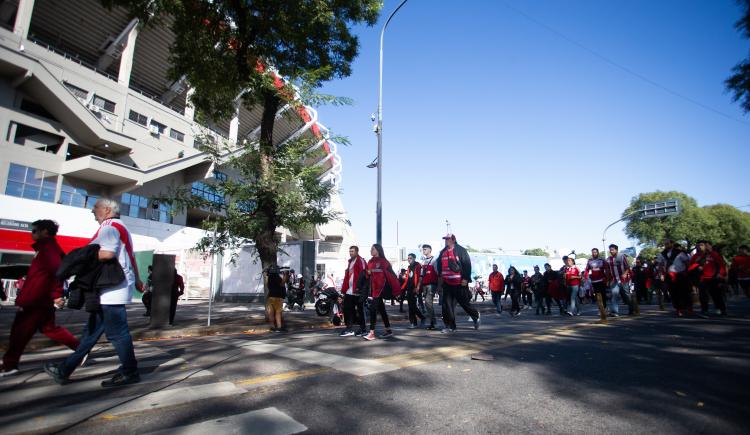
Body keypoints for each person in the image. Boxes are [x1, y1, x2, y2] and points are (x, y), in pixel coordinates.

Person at [44, 198, 142, 387]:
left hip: (111, 289)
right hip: (111, 288)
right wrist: (137, 279)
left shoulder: (109, 226)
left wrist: (78, 257)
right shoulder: (118, 226)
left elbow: (108, 253)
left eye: (95, 207)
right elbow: (129, 256)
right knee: (91, 333)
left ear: (106, 209)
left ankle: (130, 371)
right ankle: (64, 369)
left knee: (117, 333)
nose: (92, 211)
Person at [1, 220, 80, 377]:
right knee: (49, 328)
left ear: (44, 232)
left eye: (35, 230)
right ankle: (81, 349)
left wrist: (56, 294)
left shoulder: (48, 249)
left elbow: (57, 271)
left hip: (36, 300)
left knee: (19, 332)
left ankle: (10, 366)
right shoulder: (46, 248)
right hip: (39, 299)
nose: (32, 233)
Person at [435, 233, 480, 333]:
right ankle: (451, 326)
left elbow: (467, 265)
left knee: (463, 303)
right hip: (446, 282)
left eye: (448, 239)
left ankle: (475, 315)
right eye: (445, 239)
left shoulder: (461, 250)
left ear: (453, 240)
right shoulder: (442, 252)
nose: (446, 241)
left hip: (459, 283)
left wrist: (466, 279)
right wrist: (439, 284)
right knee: (447, 305)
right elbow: (439, 268)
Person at [364, 244, 400, 340]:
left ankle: (371, 333)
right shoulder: (370, 261)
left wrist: (396, 290)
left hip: (381, 289)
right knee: (382, 310)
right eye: (371, 248)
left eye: (373, 249)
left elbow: (392, 276)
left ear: (378, 250)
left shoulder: (384, 262)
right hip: (373, 289)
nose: (371, 250)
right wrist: (368, 274)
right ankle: (389, 331)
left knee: (372, 309)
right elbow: (368, 276)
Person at [689, 240, 727, 318]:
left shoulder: (714, 254)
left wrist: (721, 274)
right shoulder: (696, 256)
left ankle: (721, 309)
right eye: (699, 245)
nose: (700, 247)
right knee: (703, 295)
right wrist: (697, 266)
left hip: (714, 278)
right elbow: (690, 266)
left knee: (716, 294)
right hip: (702, 278)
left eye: (702, 245)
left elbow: (722, 265)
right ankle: (704, 310)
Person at [657, 239, 692, 316]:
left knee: (684, 292)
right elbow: (660, 265)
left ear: (672, 244)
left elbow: (687, 263)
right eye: (665, 244)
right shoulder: (662, 254)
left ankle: (688, 308)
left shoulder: (680, 253)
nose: (666, 245)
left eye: (668, 243)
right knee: (673, 293)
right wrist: (661, 274)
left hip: (681, 275)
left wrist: (689, 272)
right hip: (670, 276)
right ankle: (678, 309)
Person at [340, 246, 367, 337]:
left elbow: (364, 275)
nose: (350, 253)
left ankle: (363, 329)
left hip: (357, 291)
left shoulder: (361, 261)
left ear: (357, 252)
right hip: (349, 291)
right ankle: (349, 328)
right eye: (350, 251)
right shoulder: (350, 262)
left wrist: (360, 289)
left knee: (360, 311)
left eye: (352, 251)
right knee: (347, 309)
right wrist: (344, 289)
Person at [606, 244, 634, 316]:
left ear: (616, 250)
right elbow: (608, 270)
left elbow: (628, 267)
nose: (611, 251)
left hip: (624, 280)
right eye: (610, 250)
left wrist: (625, 273)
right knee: (614, 295)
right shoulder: (609, 259)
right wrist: (608, 280)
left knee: (626, 295)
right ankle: (615, 312)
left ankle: (632, 309)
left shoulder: (622, 256)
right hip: (614, 280)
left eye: (612, 250)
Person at [584, 248, 609, 321]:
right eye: (593, 252)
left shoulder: (602, 260)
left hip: (602, 280)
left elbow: (607, 269)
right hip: (594, 281)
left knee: (603, 294)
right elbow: (587, 270)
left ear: (598, 253)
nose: (594, 253)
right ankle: (600, 308)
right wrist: (585, 277)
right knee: (597, 295)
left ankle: (604, 308)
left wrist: (607, 278)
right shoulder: (590, 261)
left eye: (595, 252)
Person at [402, 253, 425, 329]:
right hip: (409, 289)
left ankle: (420, 318)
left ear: (414, 258)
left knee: (413, 306)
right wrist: (402, 288)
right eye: (408, 258)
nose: (409, 259)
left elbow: (420, 278)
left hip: (415, 289)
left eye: (410, 258)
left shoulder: (418, 266)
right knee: (410, 306)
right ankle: (414, 322)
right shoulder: (408, 267)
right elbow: (407, 279)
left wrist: (417, 287)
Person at [420, 244, 440, 330]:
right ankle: (432, 322)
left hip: (432, 284)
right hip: (424, 285)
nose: (423, 251)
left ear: (430, 250)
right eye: (423, 249)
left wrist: (439, 286)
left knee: (428, 302)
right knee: (427, 304)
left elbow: (439, 274)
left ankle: (434, 322)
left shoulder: (435, 260)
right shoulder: (423, 261)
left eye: (425, 249)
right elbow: (421, 275)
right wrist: (418, 286)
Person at [265, 267, 287, 332]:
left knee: (271, 313)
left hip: (271, 297)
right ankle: (279, 327)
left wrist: (267, 274)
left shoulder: (269, 278)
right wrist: (285, 275)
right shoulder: (276, 277)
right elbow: (282, 284)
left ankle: (272, 327)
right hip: (278, 297)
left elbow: (267, 285)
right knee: (278, 312)